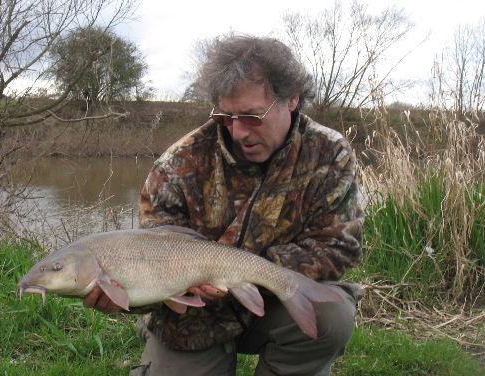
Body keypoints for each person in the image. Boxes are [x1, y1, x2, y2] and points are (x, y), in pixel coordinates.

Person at [84, 35, 364, 376]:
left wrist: (249, 272)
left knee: (331, 318)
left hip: (275, 303)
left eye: (252, 116)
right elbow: (149, 259)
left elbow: (339, 247)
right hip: (192, 317)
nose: (238, 132)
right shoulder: (180, 163)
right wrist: (124, 294)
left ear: (292, 99)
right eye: (226, 116)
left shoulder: (328, 153)